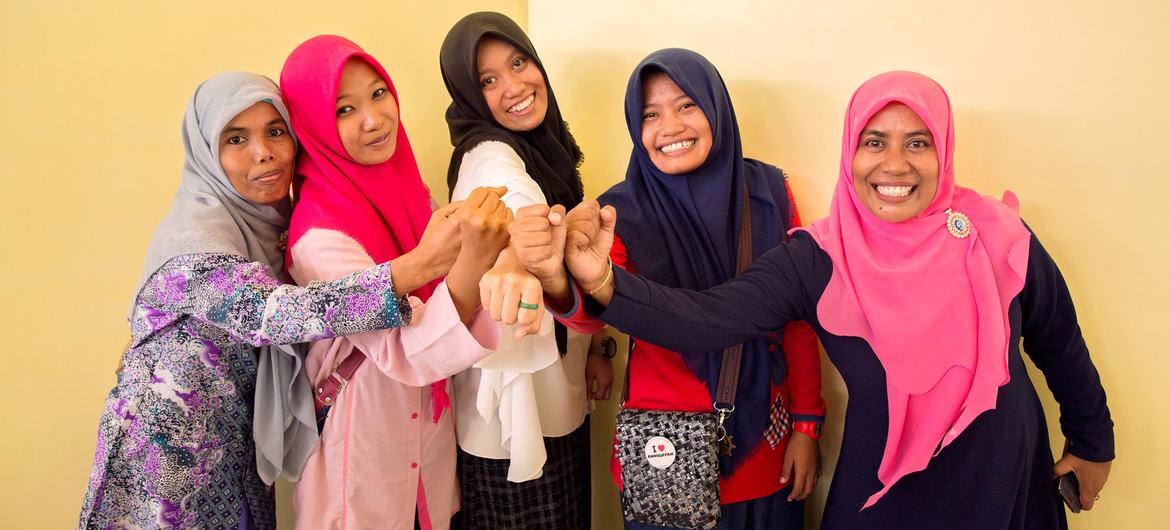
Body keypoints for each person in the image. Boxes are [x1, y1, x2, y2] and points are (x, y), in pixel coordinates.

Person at [515, 71, 1114, 529]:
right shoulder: (820, 257)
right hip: (884, 491)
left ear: (944, 151)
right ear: (851, 153)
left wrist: (1092, 441)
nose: (895, 164)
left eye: (919, 143)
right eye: (874, 141)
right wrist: (603, 284)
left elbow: (1059, 342)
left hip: (1006, 481)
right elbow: (708, 319)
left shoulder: (997, 234)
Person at [77, 72, 428, 530]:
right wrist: (414, 268)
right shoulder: (196, 238)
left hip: (236, 452)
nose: (263, 152)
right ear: (206, 152)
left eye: (275, 132)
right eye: (236, 138)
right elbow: (268, 314)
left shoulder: (272, 226)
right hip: (166, 460)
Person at [515, 49, 826, 529]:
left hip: (768, 443)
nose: (670, 127)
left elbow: (798, 319)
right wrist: (559, 280)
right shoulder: (617, 210)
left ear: (715, 107)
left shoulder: (768, 192)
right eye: (650, 114)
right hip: (664, 450)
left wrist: (808, 424)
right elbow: (591, 313)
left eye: (686, 105)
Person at [277, 36, 512, 530]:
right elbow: (408, 350)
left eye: (379, 93)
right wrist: (471, 259)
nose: (373, 118)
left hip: (423, 431)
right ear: (312, 126)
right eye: (345, 108)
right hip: (363, 434)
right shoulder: (319, 237)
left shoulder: (404, 188)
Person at [440, 11, 598, 529]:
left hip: (550, 402)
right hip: (517, 434)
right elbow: (516, 210)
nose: (514, 86)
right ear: (467, 92)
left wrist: (599, 347)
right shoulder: (492, 154)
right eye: (488, 80)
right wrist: (515, 258)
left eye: (519, 62)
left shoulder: (543, 150)